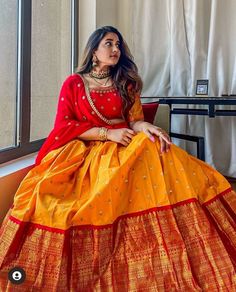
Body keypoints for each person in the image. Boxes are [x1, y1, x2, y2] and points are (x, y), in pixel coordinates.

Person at [0, 26, 235, 291]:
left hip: (126, 143)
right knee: (51, 200)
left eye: (118, 45)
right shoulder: (75, 83)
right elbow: (63, 126)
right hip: (84, 148)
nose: (116, 49)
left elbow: (134, 120)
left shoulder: (126, 82)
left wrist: (148, 127)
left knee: (157, 150)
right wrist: (105, 133)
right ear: (94, 51)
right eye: (109, 44)